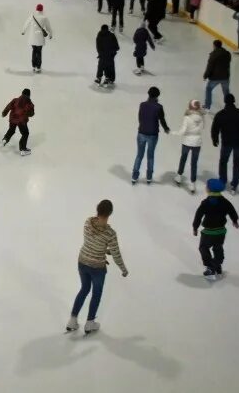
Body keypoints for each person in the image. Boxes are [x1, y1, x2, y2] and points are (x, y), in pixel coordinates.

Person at [66, 199, 128, 335]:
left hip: (82, 262)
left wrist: (104, 250)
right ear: (110, 213)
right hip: (97, 268)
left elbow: (92, 241)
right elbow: (117, 255)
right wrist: (124, 270)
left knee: (84, 289)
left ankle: (72, 319)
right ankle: (89, 323)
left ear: (97, 210)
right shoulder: (110, 234)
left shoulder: (88, 222)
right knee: (96, 293)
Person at [193, 179, 239, 280]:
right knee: (218, 248)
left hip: (208, 232)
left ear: (209, 189)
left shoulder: (206, 203)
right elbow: (232, 211)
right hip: (221, 232)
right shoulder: (225, 202)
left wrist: (195, 227)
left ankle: (211, 266)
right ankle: (217, 265)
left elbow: (198, 215)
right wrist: (235, 220)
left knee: (203, 248)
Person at [211, 93, 239, 195]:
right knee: (237, 164)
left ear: (225, 102)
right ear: (234, 101)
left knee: (223, 162)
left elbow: (215, 128)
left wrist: (215, 139)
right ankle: (234, 185)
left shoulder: (220, 114)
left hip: (226, 142)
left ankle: (222, 181)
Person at [131, 86, 170, 184]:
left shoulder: (142, 105)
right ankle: (149, 176)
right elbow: (162, 120)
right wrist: (166, 128)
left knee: (139, 155)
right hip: (152, 134)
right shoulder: (159, 107)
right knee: (150, 155)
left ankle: (134, 176)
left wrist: (142, 126)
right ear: (157, 96)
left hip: (142, 132)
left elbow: (140, 118)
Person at [173, 99, 205, 193]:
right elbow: (202, 128)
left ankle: (179, 176)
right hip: (197, 142)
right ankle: (192, 184)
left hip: (187, 141)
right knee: (194, 163)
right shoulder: (201, 117)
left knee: (183, 158)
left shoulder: (187, 118)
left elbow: (182, 131)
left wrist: (173, 132)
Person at [1, 88, 35, 155]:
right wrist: (27, 113)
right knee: (25, 133)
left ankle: (5, 139)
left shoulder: (15, 100)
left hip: (13, 118)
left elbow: (8, 107)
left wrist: (4, 113)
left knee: (11, 130)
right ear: (29, 95)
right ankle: (23, 149)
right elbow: (31, 114)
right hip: (22, 121)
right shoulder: (30, 104)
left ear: (22, 93)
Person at [21, 4, 53, 73]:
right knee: (39, 52)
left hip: (33, 37)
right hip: (40, 38)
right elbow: (48, 27)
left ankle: (33, 66)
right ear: (42, 9)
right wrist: (50, 34)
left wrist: (23, 31)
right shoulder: (44, 18)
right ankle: (38, 67)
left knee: (34, 50)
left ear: (36, 9)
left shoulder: (32, 17)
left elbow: (26, 23)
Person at [203, 40, 231, 111]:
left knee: (208, 89)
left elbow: (210, 66)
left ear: (214, 46)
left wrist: (205, 75)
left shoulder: (213, 55)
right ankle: (229, 106)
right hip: (225, 76)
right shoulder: (227, 53)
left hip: (215, 77)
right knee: (226, 92)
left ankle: (207, 105)